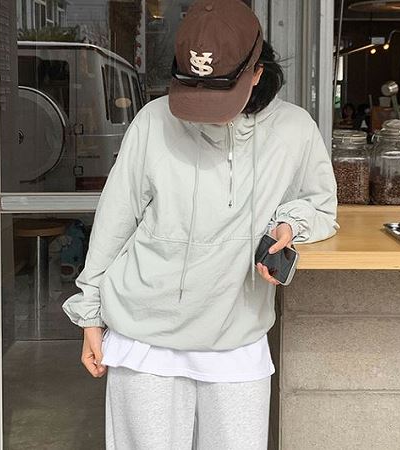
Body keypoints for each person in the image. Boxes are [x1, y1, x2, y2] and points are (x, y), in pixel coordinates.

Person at [62, 0, 339, 448]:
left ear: (257, 72)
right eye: (194, 90)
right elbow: (115, 220)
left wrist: (288, 223)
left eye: (219, 94)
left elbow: (321, 204)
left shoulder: (294, 130)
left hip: (237, 337)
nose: (205, 110)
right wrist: (90, 315)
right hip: (143, 337)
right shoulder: (153, 121)